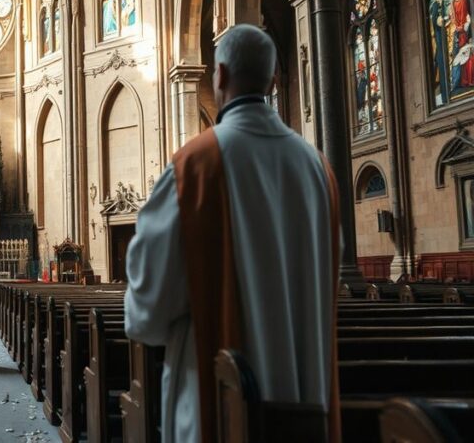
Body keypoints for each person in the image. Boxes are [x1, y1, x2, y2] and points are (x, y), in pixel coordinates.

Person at [124, 24, 342, 443]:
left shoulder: (195, 167)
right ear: (274, 80)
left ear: (219, 75)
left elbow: (146, 313)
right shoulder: (319, 170)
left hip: (220, 404)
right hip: (304, 402)